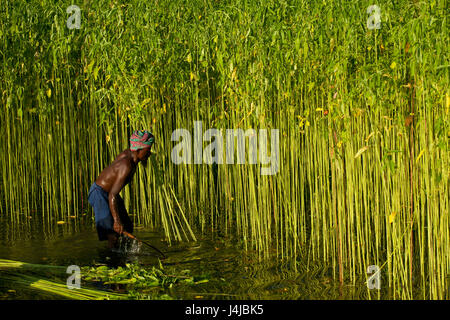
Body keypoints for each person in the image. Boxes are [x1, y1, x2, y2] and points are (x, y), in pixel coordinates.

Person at [88, 130, 154, 248]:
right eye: (148, 150)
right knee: (113, 233)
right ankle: (112, 262)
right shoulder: (126, 166)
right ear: (138, 150)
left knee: (127, 226)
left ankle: (123, 254)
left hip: (109, 193)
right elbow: (112, 195)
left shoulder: (131, 155)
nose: (150, 153)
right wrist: (116, 221)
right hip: (99, 193)